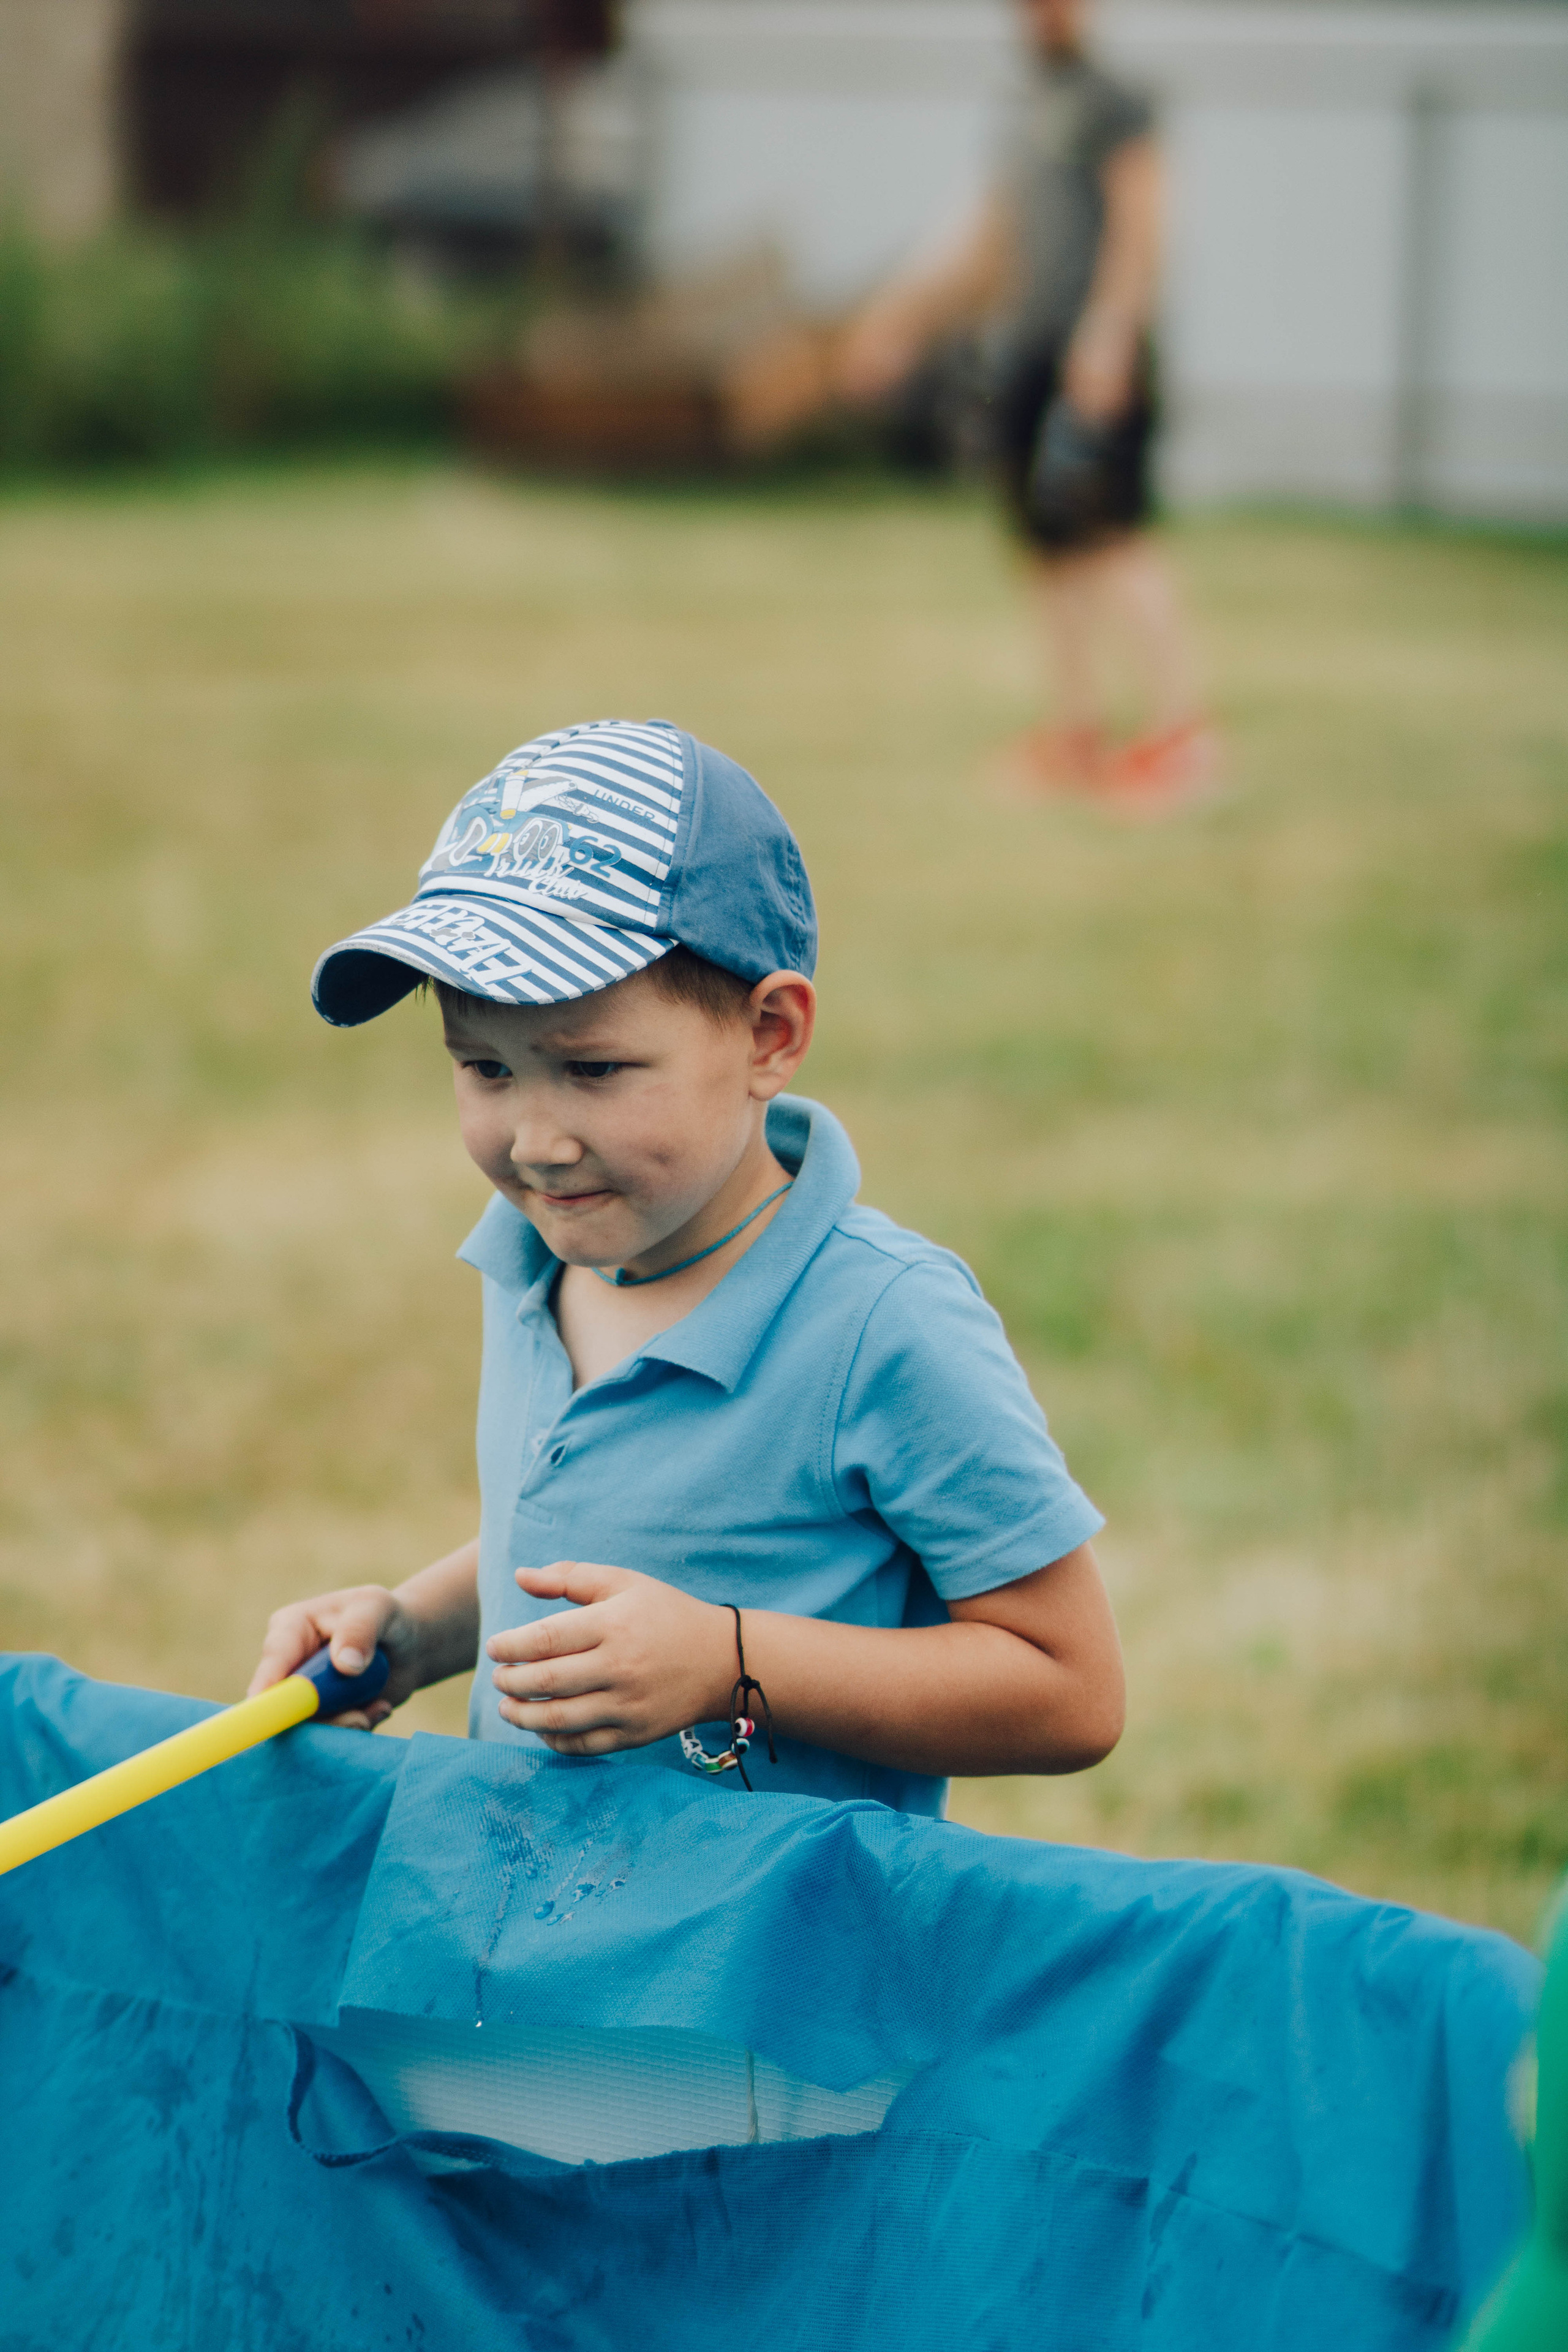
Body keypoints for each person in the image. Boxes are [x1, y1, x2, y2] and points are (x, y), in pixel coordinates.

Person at [249, 718, 1123, 1814]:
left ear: (770, 1035)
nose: (535, 1140)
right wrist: (419, 1630)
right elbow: (573, 1540)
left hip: (762, 1963)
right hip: (526, 1947)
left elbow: (1072, 1690)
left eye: (595, 1067)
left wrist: (729, 1662)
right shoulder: (534, 1261)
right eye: (484, 1066)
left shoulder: (882, 1323)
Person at [838, 0, 1215, 810]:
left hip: (1096, 352)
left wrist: (1111, 333)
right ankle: (1076, 733)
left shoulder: (1116, 100)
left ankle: (1180, 737)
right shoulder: (1024, 103)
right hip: (1035, 351)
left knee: (1113, 533)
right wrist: (897, 321)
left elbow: (1143, 223)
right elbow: (988, 239)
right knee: (1046, 545)